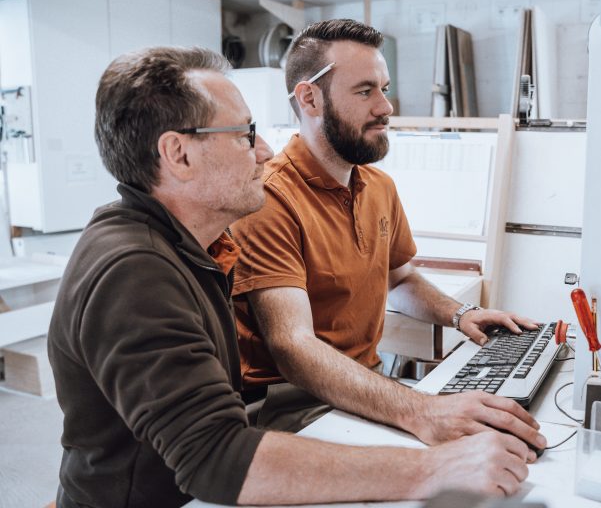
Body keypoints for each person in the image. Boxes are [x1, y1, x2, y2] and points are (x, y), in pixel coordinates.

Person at [47, 46, 533, 508]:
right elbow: (215, 456)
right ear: (179, 154)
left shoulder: (187, 247)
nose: (263, 151)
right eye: (244, 133)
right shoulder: (135, 273)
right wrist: (433, 468)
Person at [231, 19, 547, 453]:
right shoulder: (269, 198)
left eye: (384, 87)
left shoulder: (377, 186)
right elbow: (294, 346)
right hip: (293, 407)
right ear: (310, 98)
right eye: (365, 91)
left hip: (364, 385)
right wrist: (420, 410)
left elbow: (399, 280)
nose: (386, 106)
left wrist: (461, 314)